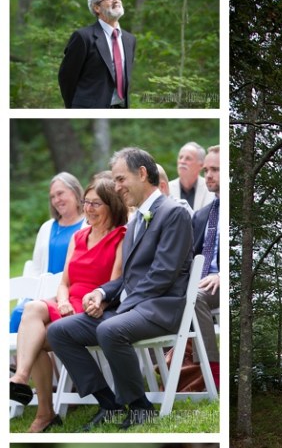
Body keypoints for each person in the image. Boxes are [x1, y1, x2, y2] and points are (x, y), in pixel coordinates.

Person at [46, 147, 193, 431]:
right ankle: (108, 403)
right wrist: (102, 293)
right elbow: (128, 277)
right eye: (115, 180)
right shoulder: (136, 219)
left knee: (109, 329)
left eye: (121, 179)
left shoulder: (173, 213)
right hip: (131, 309)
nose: (116, 187)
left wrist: (122, 305)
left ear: (142, 173)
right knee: (58, 331)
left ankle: (140, 407)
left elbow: (163, 274)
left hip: (161, 308)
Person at [10, 177, 127, 432]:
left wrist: (99, 302)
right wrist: (62, 301)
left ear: (112, 205)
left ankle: (44, 412)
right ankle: (23, 379)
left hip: (94, 307)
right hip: (68, 302)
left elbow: (115, 284)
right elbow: (64, 282)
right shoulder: (78, 237)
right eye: (86, 202)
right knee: (32, 310)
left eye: (96, 204)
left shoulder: (120, 237)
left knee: (34, 340)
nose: (89, 209)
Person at [11, 173, 86, 332]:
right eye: (52, 196)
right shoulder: (47, 227)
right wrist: (34, 294)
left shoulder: (88, 225)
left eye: (60, 193)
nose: (56, 200)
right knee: (18, 313)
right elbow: (36, 268)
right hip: (42, 293)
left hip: (70, 294)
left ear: (75, 192)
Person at [58, 0, 136, 109]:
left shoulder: (129, 39)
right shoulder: (83, 37)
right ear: (97, 8)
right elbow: (66, 77)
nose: (116, 0)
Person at [188, 146, 221, 389]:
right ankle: (170, 369)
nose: (208, 175)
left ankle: (213, 373)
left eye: (215, 170)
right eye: (206, 170)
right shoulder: (202, 215)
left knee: (195, 297)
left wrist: (222, 275)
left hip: (222, 283)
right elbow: (189, 255)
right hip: (199, 280)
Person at [169, 142, 215, 212]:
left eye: (188, 158)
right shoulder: (167, 188)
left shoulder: (211, 189)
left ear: (201, 165)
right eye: (180, 157)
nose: (182, 161)